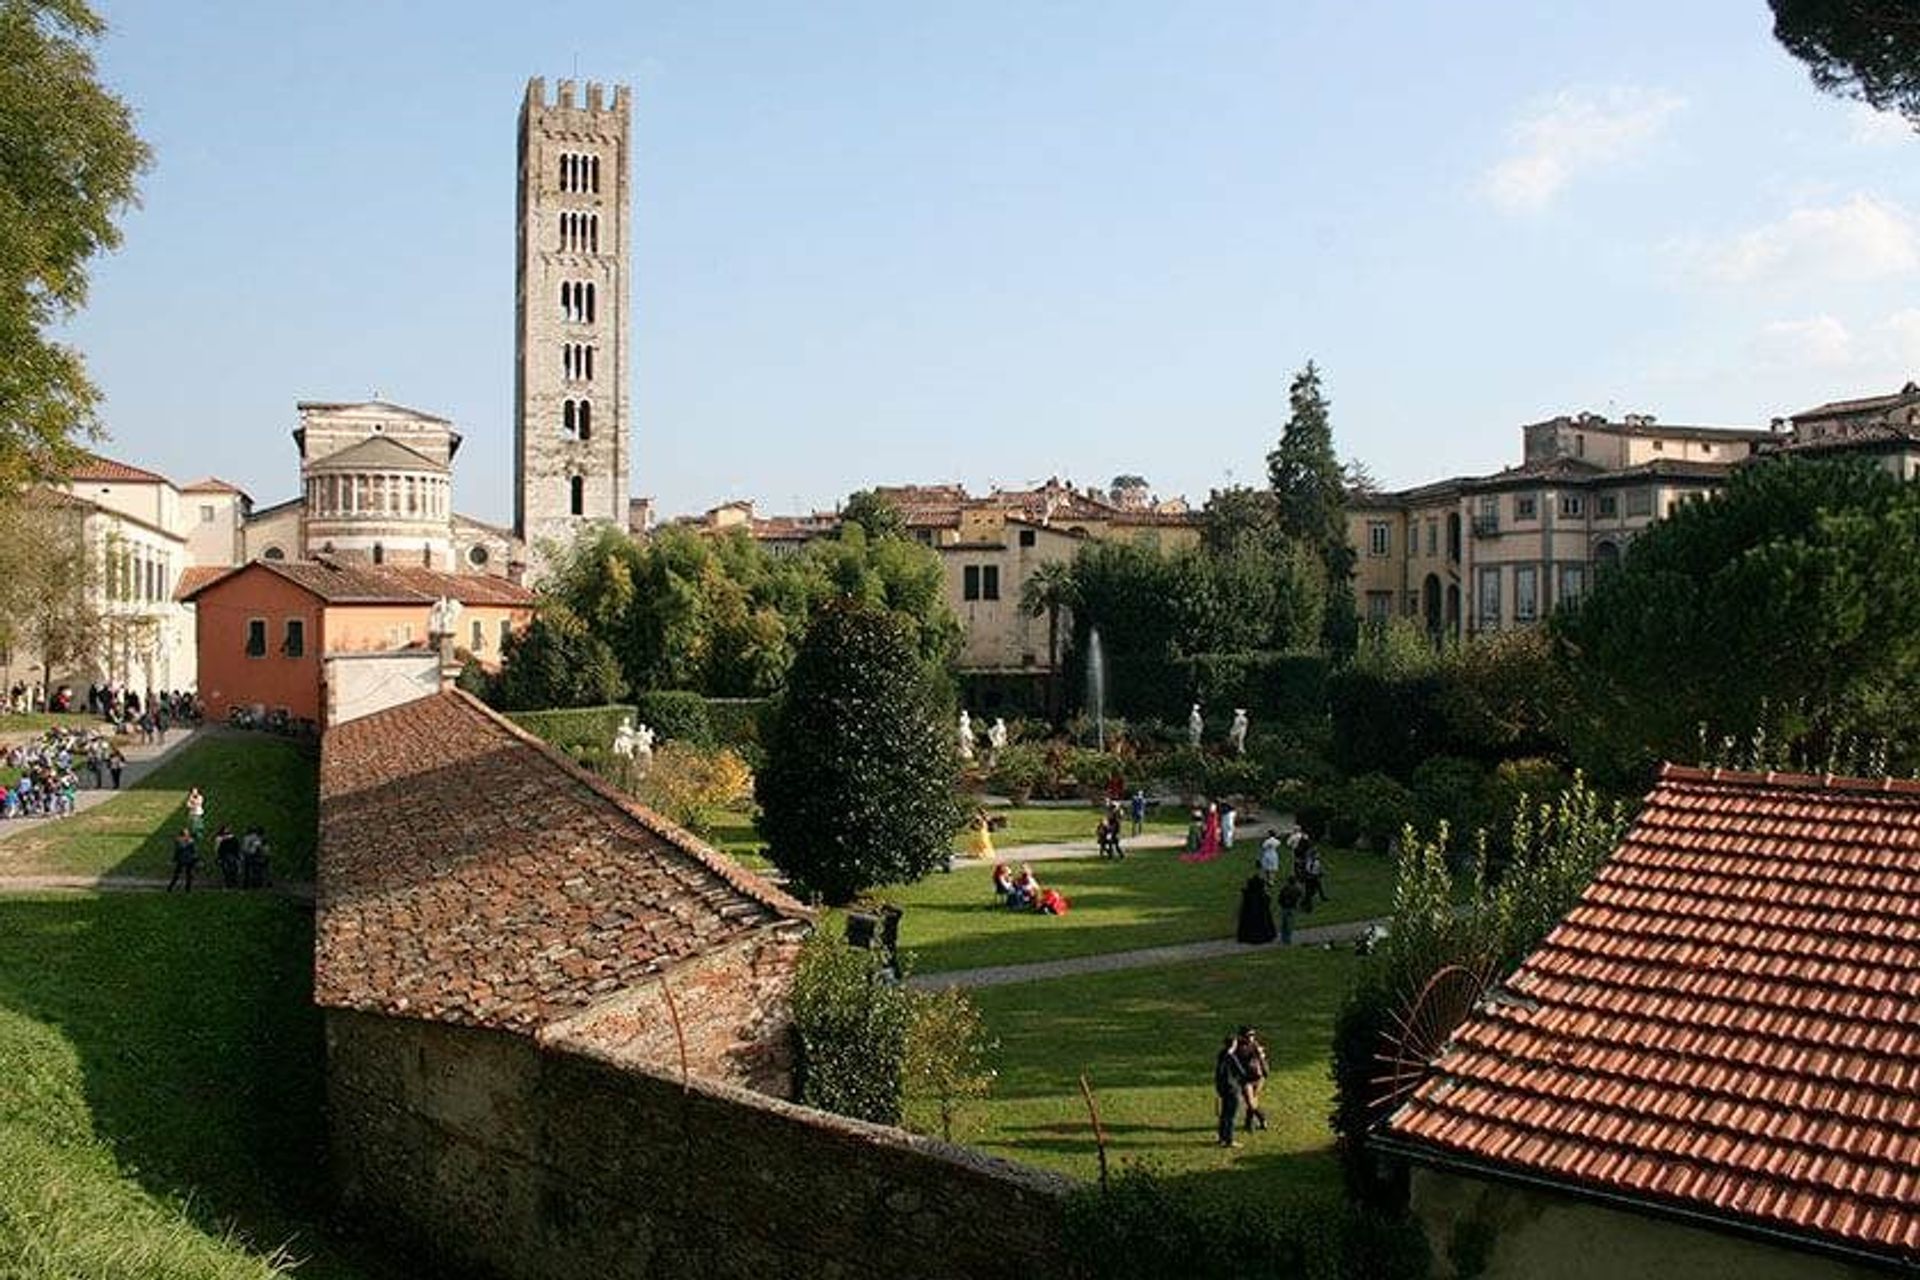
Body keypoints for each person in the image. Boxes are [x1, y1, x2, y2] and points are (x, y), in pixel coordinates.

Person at [1213, 1035, 1247, 1147]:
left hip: (1223, 1089)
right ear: (1233, 1044)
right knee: (1231, 1116)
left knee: (1224, 1115)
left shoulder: (1221, 1055)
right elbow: (1242, 1072)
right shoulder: (1231, 1057)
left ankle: (1221, 1137)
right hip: (1232, 1089)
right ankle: (1230, 1140)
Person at [1235, 1028, 1270, 1132]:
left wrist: (1261, 1056)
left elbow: (1262, 1060)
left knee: (1254, 1100)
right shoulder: (1238, 1048)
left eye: (1252, 1035)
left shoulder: (1255, 1045)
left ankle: (1248, 1123)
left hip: (1258, 1077)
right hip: (1246, 1079)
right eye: (1248, 1035)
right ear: (1242, 1036)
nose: (1251, 1037)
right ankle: (1262, 1118)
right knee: (1250, 1102)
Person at [1236, 873, 1276, 945]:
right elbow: (1267, 902)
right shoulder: (1261, 894)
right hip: (1261, 915)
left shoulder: (1248, 894)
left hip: (1250, 916)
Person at [168, 827, 197, 892]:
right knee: (187, 874)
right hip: (187, 859)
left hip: (182, 859)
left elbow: (177, 851)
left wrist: (174, 859)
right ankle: (187, 888)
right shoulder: (189, 841)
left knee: (179, 874)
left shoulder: (179, 841)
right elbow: (193, 851)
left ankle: (171, 887)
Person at [1277, 876, 1303, 945]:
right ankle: (1287, 940)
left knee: (1284, 925)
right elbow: (1300, 896)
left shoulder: (1285, 888)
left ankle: (1283, 939)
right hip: (1292, 908)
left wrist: (1281, 904)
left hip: (1284, 908)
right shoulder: (1297, 889)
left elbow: (1280, 898)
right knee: (1289, 925)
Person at [214, 825, 241, 889]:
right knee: (231, 870)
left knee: (228, 871)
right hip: (228, 856)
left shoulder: (222, 839)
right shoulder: (230, 839)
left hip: (226, 856)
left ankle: (229, 883)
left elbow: (218, 849)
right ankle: (232, 883)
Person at [1303, 846, 1328, 911]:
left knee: (1319, 887)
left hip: (1314, 876)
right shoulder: (1311, 861)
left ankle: (1322, 897)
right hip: (1311, 877)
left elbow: (1318, 869)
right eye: (1317, 854)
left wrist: (1321, 872)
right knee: (1311, 891)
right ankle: (1306, 904)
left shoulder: (1315, 861)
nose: (1319, 855)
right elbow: (1309, 870)